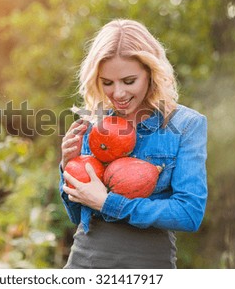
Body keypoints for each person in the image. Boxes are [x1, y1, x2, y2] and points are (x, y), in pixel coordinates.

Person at [59, 19, 208, 268]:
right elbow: (78, 216)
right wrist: (67, 165)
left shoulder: (185, 125)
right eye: (107, 83)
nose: (118, 94)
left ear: (151, 73)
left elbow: (189, 214)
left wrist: (110, 204)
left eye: (129, 81)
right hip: (84, 263)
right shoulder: (95, 123)